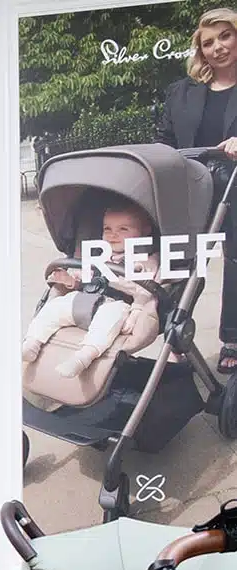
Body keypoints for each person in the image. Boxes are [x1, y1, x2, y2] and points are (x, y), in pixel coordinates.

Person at [155, 7, 237, 372]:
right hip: (195, 187)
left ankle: (232, 336)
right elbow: (165, 139)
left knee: (236, 262)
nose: (217, 47)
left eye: (225, 35)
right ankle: (174, 331)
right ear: (200, 51)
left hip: (234, 186)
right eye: (208, 42)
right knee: (184, 262)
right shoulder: (182, 92)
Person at [21, 201, 163, 378]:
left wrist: (136, 312)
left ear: (145, 230)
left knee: (108, 320)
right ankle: (32, 344)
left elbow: (145, 293)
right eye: (107, 229)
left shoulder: (145, 261)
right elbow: (84, 278)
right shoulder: (97, 253)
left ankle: (83, 357)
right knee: (53, 308)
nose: (113, 235)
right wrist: (70, 281)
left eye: (123, 229)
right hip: (85, 299)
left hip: (116, 304)